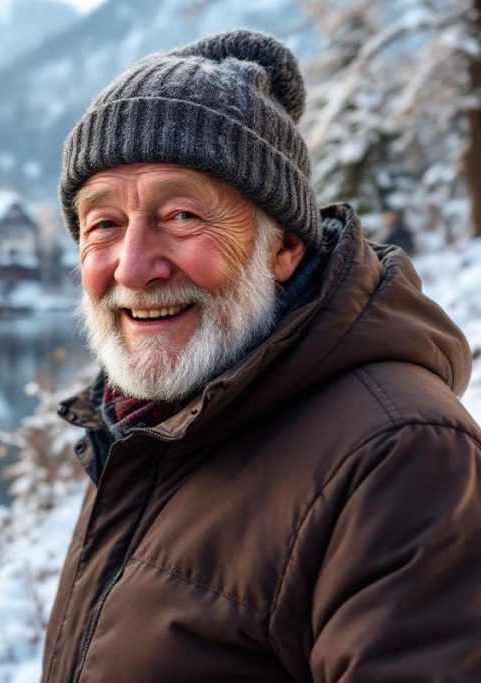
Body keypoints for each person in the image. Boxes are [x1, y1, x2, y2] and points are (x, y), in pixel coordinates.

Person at [42, 28, 481, 682]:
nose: (133, 266)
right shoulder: (148, 427)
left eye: (183, 214)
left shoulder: (401, 456)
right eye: (103, 223)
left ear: (284, 248)